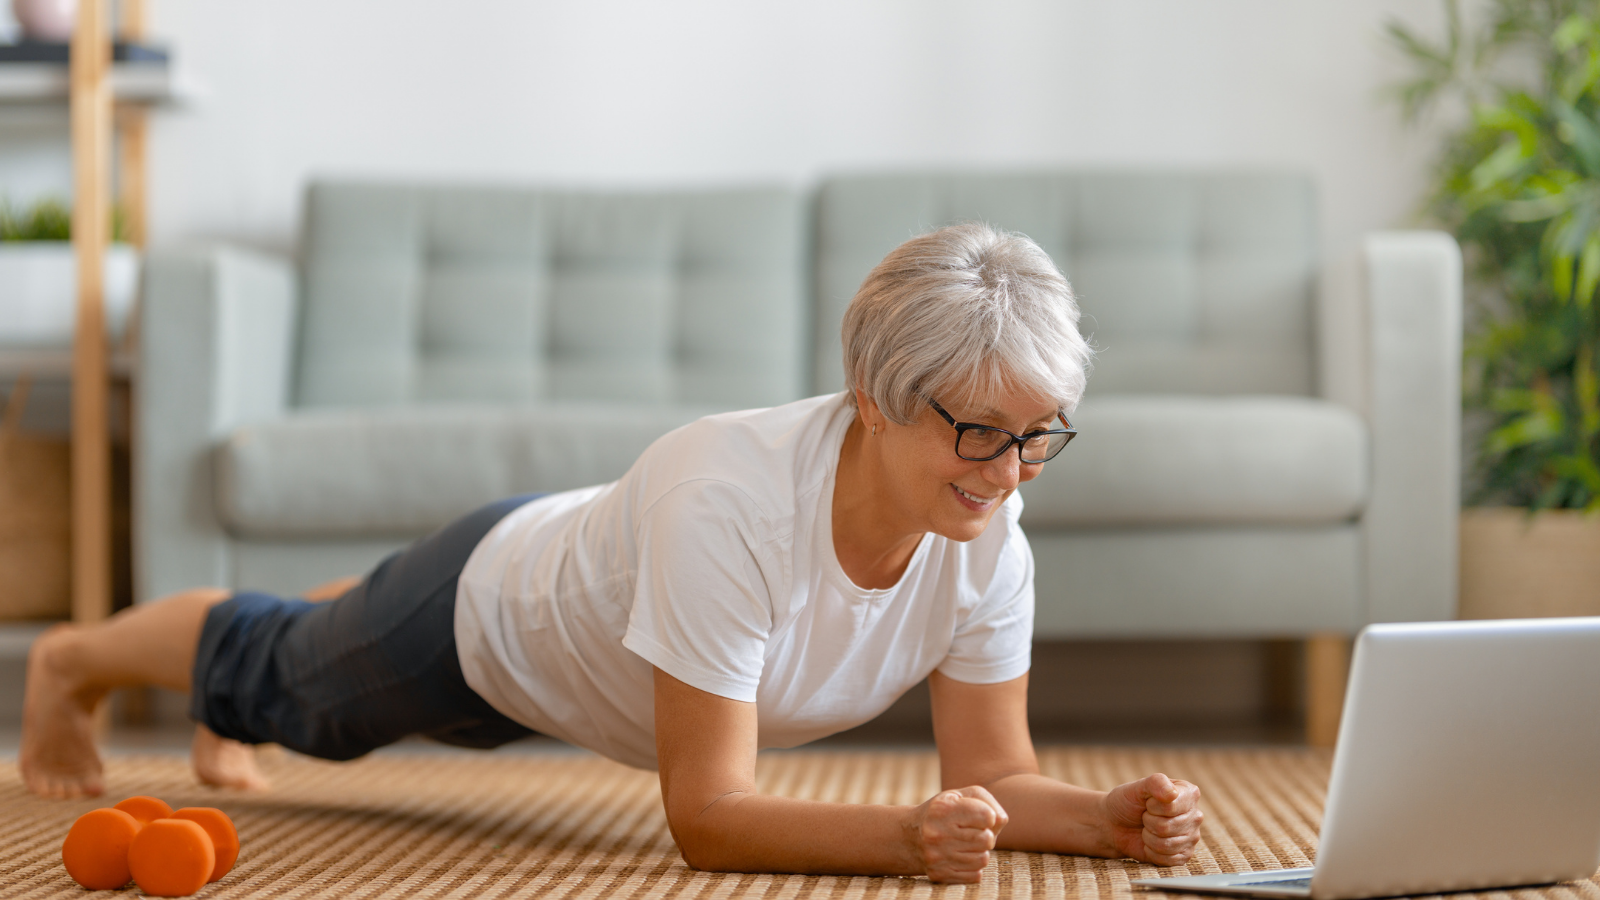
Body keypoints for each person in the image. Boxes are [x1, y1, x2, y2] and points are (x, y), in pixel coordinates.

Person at [21, 223, 1203, 883]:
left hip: (588, 588)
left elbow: (994, 771)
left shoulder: (988, 534)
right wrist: (901, 836)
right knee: (285, 682)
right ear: (873, 402)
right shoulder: (731, 504)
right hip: (489, 621)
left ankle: (345, 609)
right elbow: (708, 815)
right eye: (977, 434)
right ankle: (75, 663)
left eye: (1037, 436)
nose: (1006, 474)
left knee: (322, 634)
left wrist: (1109, 817)